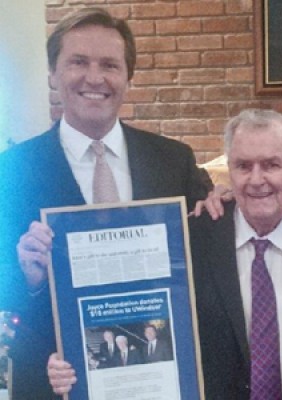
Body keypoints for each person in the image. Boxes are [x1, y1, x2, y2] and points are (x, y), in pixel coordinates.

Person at [48, 108, 282, 399]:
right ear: (227, 171)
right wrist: (74, 358)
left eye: (271, 165)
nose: (256, 180)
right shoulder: (194, 237)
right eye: (243, 166)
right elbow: (133, 310)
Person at [0, 8, 212, 399]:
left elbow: (205, 260)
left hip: (155, 378)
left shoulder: (174, 160)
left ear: (128, 78)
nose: (94, 78)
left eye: (110, 65)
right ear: (53, 73)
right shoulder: (11, 171)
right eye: (78, 62)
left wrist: (222, 207)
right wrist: (27, 277)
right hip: (53, 383)